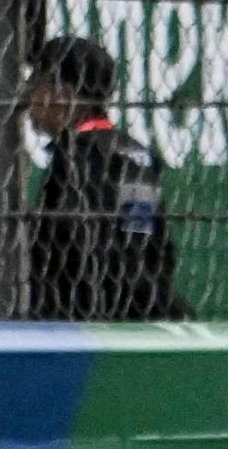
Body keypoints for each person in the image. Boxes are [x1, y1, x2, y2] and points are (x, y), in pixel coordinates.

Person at [23, 34, 178, 323]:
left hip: (82, 323)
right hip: (141, 315)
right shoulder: (133, 155)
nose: (29, 98)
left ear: (63, 94)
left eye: (37, 85)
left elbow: (67, 255)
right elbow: (142, 245)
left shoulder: (75, 162)